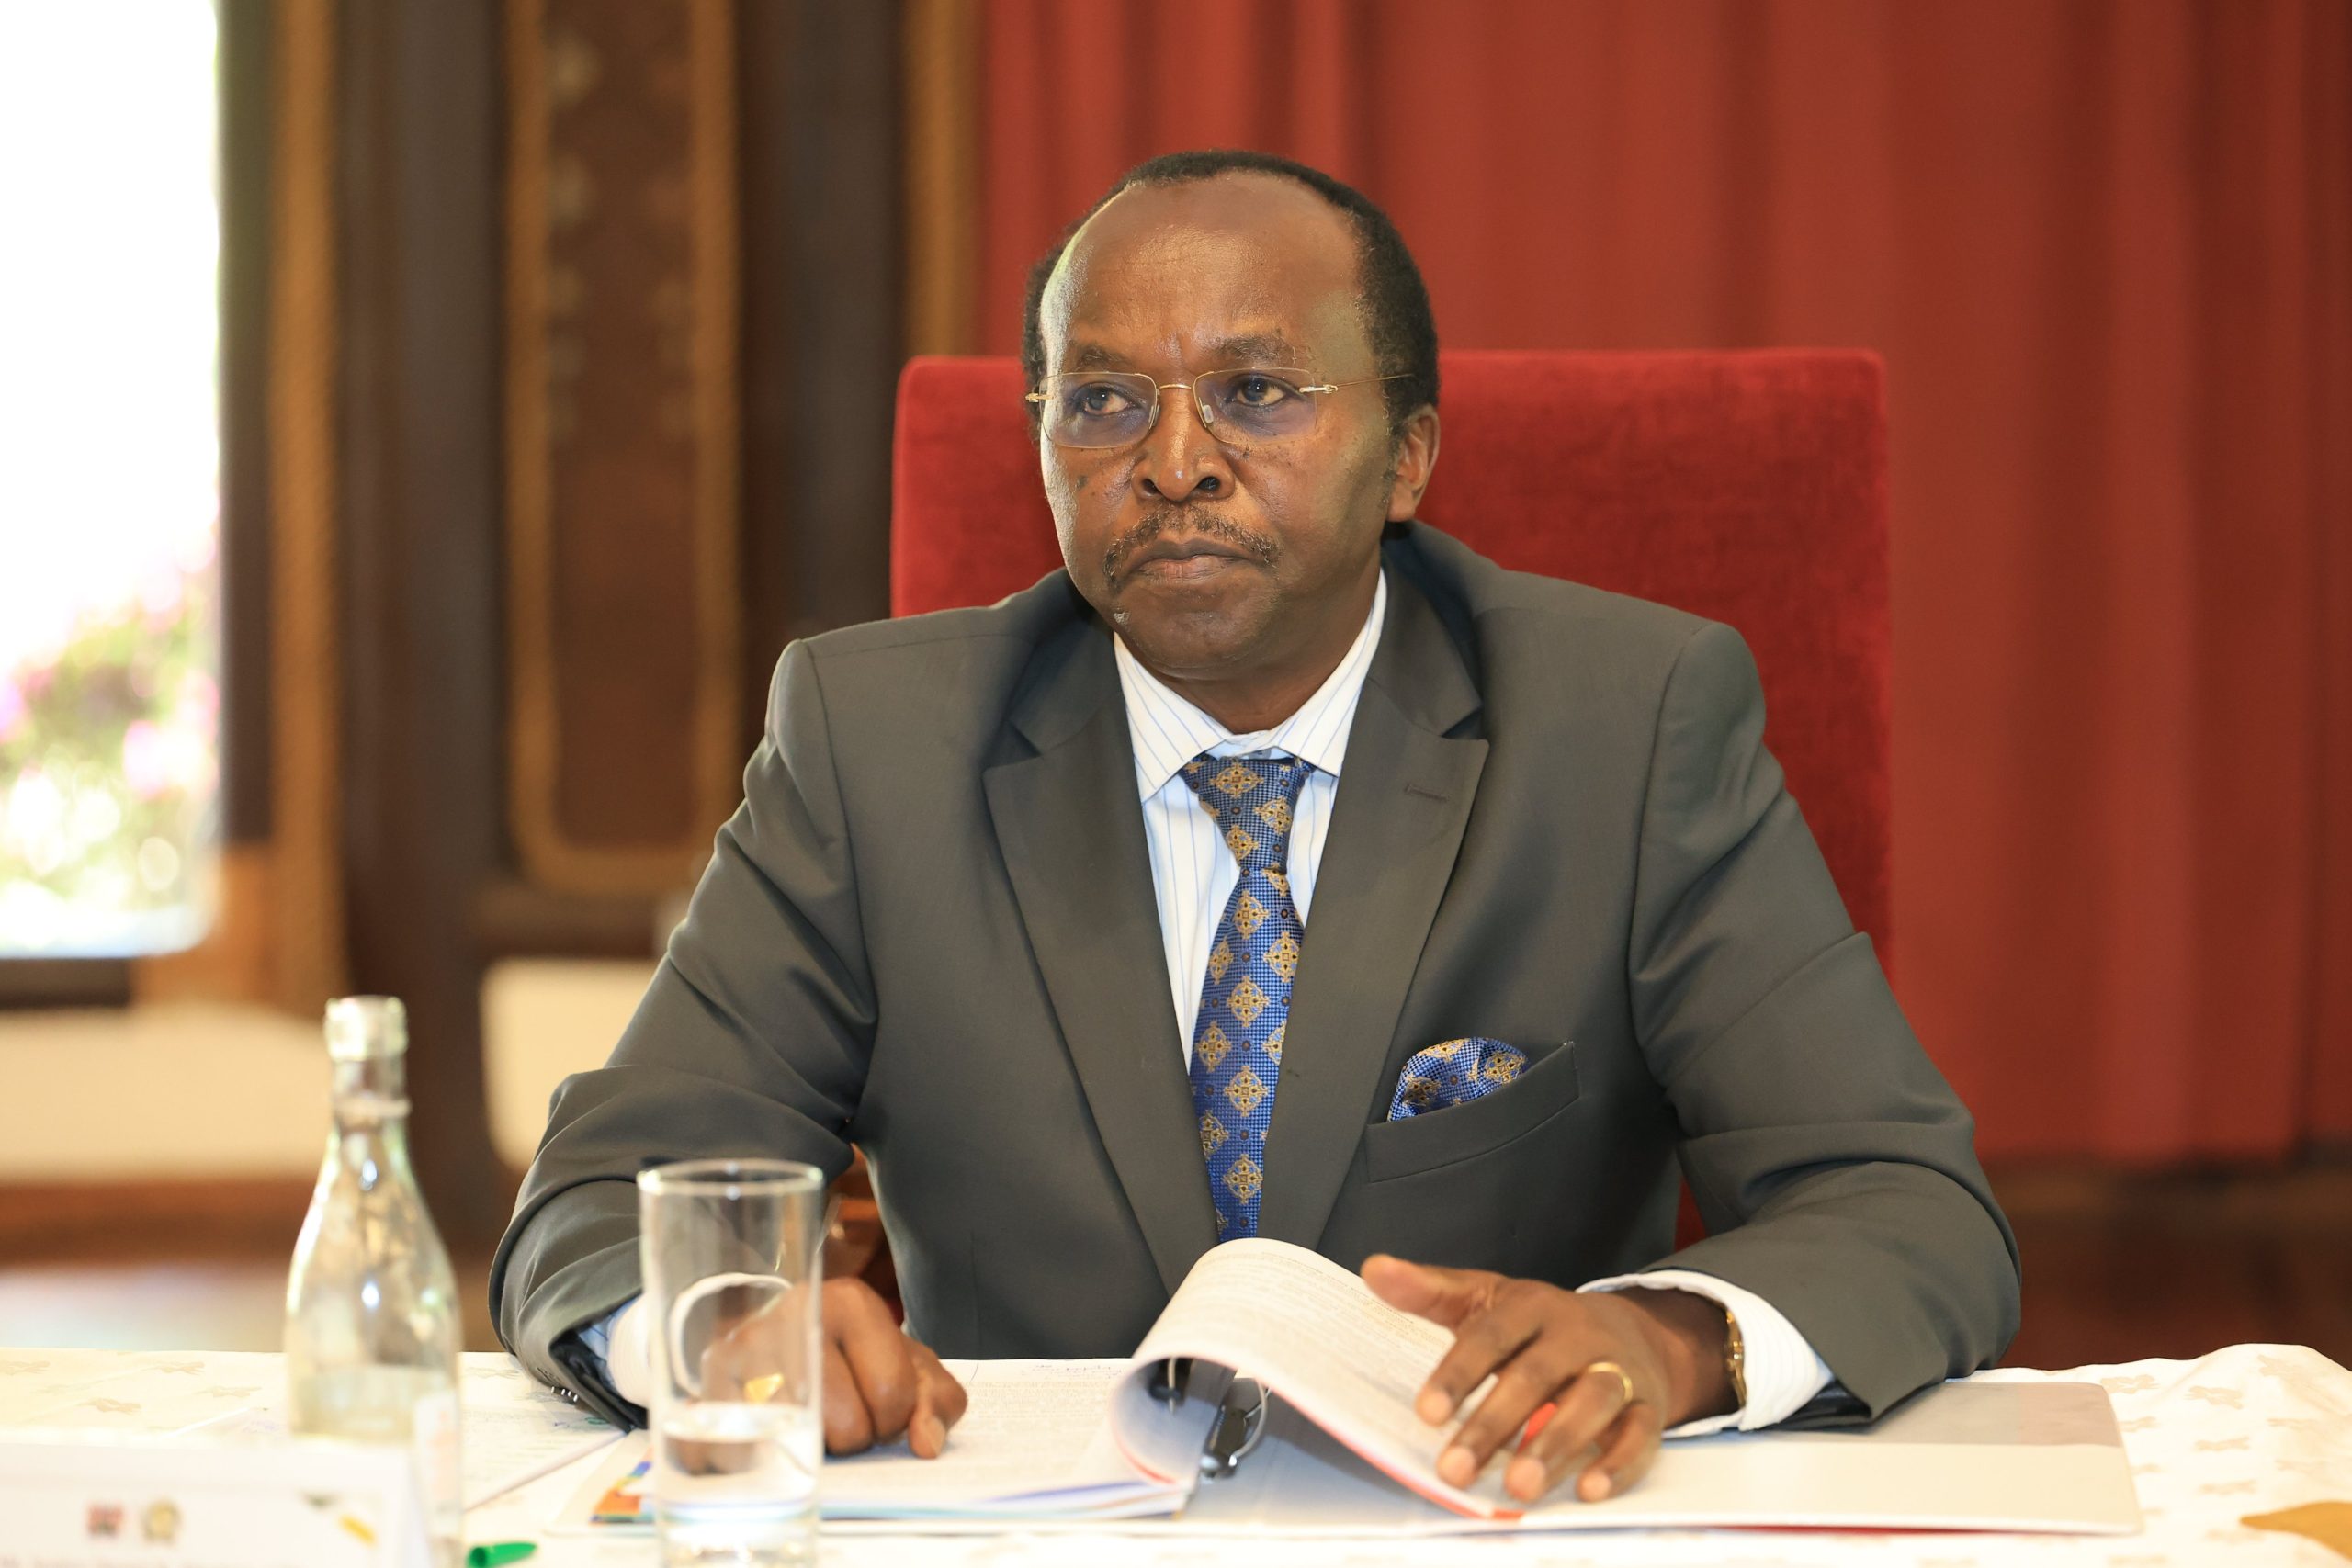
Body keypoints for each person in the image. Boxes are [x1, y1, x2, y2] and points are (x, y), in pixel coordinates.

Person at [492, 149, 2019, 1506]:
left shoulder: (1627, 733)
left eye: (1255, 393)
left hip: (1486, 1528)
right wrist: (712, 1325)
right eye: (1102, 401)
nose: (1172, 463)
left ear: (1407, 457)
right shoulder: (871, 748)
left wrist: (1664, 1342)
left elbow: (1905, 1205)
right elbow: (595, 1198)